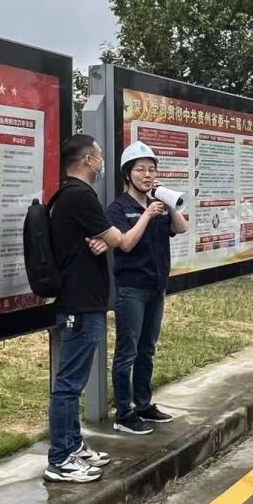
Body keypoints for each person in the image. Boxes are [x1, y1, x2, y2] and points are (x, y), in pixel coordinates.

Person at [45, 135, 122, 484]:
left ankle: (73, 446)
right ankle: (60, 459)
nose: (102, 162)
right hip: (79, 303)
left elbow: (101, 239)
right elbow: (117, 238)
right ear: (88, 160)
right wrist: (107, 237)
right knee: (68, 384)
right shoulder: (79, 195)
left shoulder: (69, 196)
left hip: (84, 302)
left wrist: (101, 239)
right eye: (99, 156)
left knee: (73, 381)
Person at [105, 141, 189, 436]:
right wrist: (146, 216)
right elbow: (125, 244)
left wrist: (168, 201)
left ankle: (143, 404)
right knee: (126, 352)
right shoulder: (118, 208)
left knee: (147, 350)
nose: (147, 175)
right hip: (132, 289)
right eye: (140, 169)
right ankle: (123, 413)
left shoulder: (159, 205)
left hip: (156, 287)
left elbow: (181, 228)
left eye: (151, 169)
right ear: (128, 174)